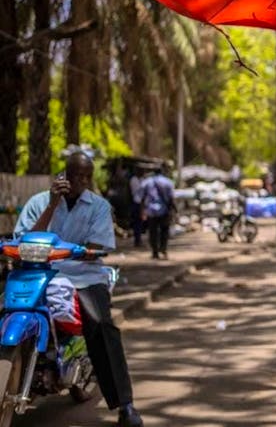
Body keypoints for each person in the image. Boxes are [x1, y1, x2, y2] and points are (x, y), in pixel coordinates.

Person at [15, 152, 144, 426]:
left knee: (101, 326)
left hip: (83, 276)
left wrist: (79, 252)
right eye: (77, 176)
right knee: (9, 307)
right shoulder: (39, 202)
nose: (82, 181)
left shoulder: (98, 207)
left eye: (88, 176)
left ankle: (125, 404)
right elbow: (23, 239)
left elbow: (98, 247)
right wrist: (52, 205)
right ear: (65, 175)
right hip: (39, 273)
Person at [141, 166, 175, 260]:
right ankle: (163, 249)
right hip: (164, 210)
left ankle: (155, 252)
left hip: (151, 210)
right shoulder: (168, 182)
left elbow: (142, 197)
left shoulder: (147, 182)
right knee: (164, 230)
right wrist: (172, 209)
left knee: (153, 232)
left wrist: (143, 210)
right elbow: (171, 197)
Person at [129, 168, 146, 247]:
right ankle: (137, 240)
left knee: (140, 222)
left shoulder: (142, 179)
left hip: (142, 203)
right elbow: (138, 191)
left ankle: (138, 239)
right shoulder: (134, 180)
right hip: (137, 203)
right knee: (137, 222)